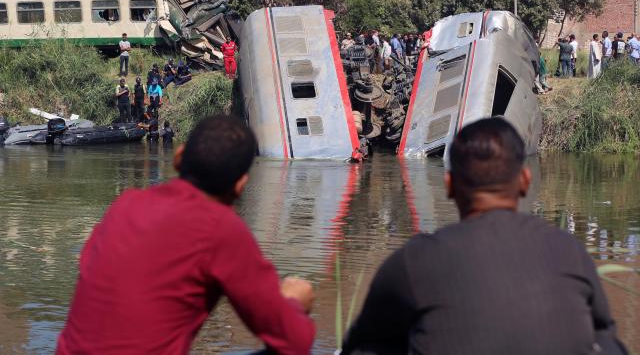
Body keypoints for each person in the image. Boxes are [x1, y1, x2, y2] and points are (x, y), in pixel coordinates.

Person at [342, 118, 626, 355]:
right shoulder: (568, 249)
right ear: (525, 182)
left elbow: (361, 341)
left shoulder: (415, 259)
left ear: (450, 186)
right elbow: (604, 332)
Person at [56, 115, 315, 354]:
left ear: (178, 158)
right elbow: (294, 340)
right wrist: (293, 302)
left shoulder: (125, 205)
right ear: (240, 185)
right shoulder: (221, 229)